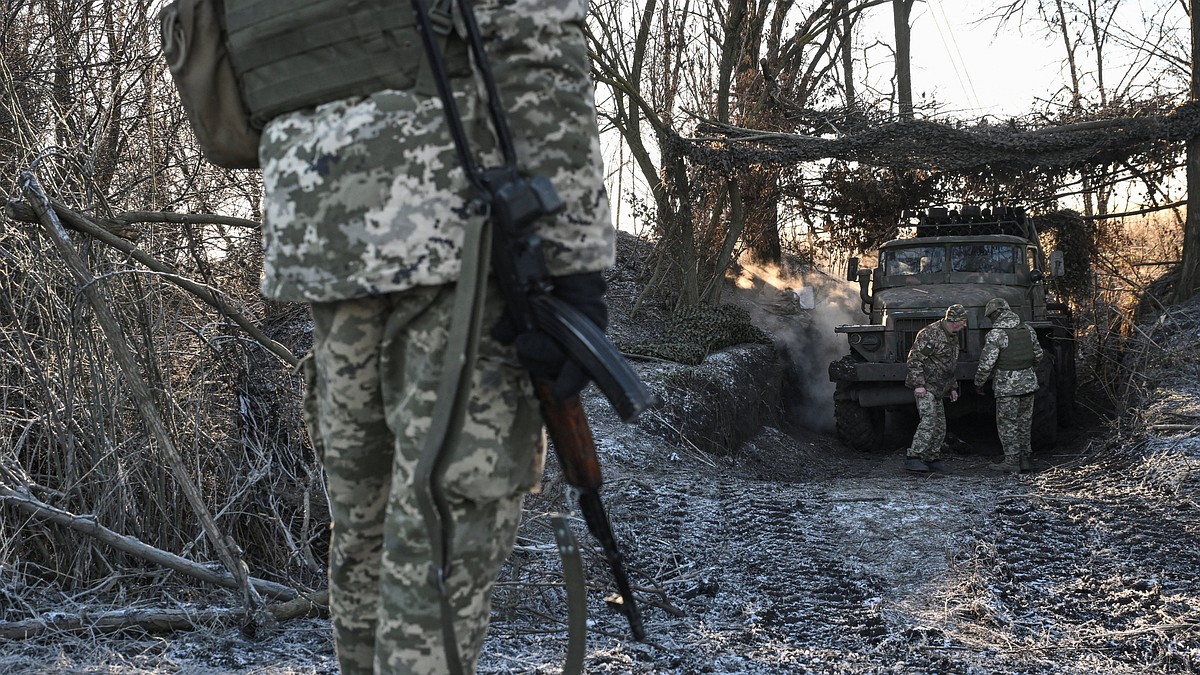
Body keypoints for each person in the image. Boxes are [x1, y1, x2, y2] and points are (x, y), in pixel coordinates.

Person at [239, 1, 615, 672]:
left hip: (319, 222)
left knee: (366, 527)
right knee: (444, 529)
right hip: (453, 218)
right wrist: (576, 263)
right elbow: (537, 40)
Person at [974, 297, 1043, 473]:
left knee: (1007, 423)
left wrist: (979, 382)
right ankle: (1025, 460)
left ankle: (1012, 462)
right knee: (1024, 422)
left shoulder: (996, 334)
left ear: (995, 315)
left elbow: (987, 363)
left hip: (1007, 387)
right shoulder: (1028, 329)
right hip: (1028, 384)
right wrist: (1027, 372)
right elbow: (1038, 355)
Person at [902, 304, 967, 473]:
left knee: (940, 425)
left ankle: (931, 457)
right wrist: (919, 385)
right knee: (929, 421)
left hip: (939, 388)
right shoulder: (930, 334)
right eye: (963, 321)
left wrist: (952, 387)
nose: (965, 325)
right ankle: (913, 457)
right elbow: (915, 360)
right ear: (954, 321)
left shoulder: (952, 336)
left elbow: (948, 364)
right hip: (927, 387)